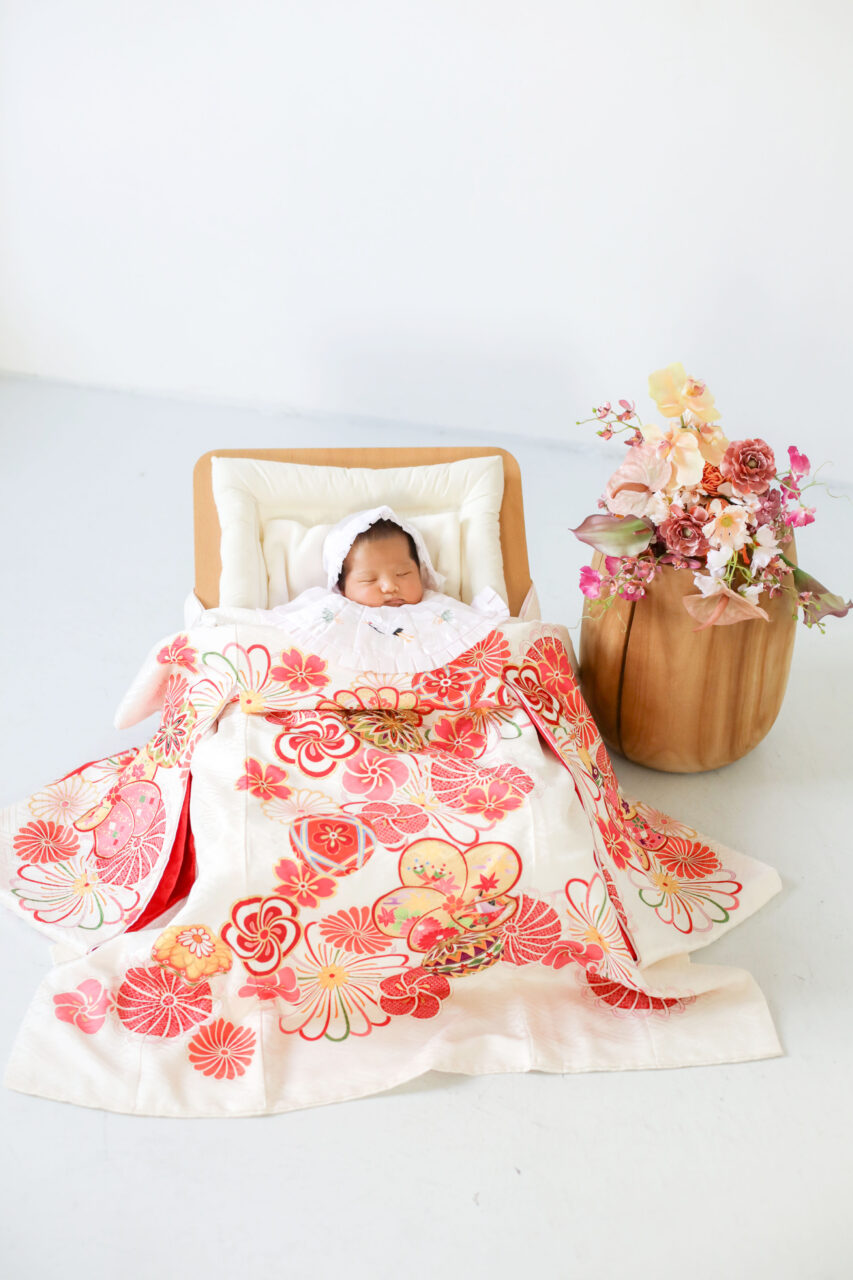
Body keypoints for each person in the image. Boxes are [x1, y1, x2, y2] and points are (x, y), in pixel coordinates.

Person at [336, 517, 424, 607]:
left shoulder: (432, 607)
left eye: (402, 573)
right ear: (341, 587)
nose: (390, 587)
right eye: (369, 579)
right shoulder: (338, 611)